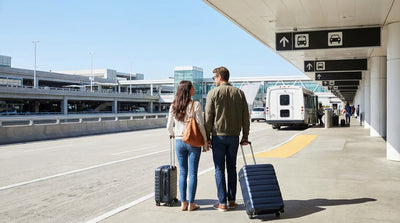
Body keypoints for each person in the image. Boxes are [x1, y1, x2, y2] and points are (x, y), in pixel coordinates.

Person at [205, 66, 250, 212]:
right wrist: (245, 136)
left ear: (220, 77)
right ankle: (231, 201)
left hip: (218, 137)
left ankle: (222, 203)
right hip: (234, 137)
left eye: (214, 78)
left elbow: (208, 117)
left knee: (219, 169)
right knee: (232, 168)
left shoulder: (213, 93)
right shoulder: (239, 93)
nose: (214, 81)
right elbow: (245, 117)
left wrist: (207, 137)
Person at [167, 80, 208, 212]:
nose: (194, 89)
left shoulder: (174, 105)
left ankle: (183, 203)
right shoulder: (195, 104)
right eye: (192, 87)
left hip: (179, 141)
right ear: (188, 90)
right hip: (193, 141)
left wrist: (172, 134)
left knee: (183, 172)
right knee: (193, 173)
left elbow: (169, 126)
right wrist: (205, 141)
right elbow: (200, 125)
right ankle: (192, 204)